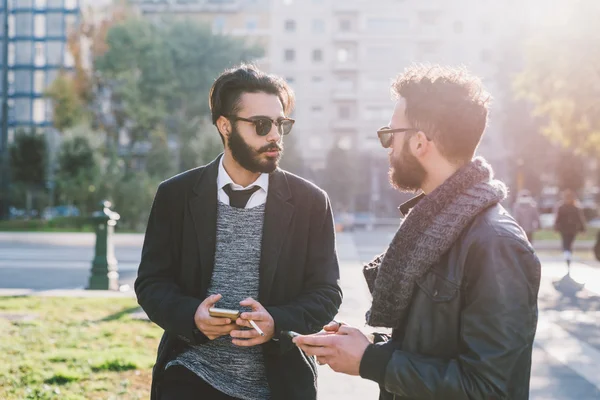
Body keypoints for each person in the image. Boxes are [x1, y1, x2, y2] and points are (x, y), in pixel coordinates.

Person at [294, 65, 541, 399]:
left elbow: (489, 389)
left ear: (421, 143)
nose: (388, 148)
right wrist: (369, 348)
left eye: (391, 135)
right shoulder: (436, 227)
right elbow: (434, 350)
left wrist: (371, 362)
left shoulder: (495, 243)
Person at [135, 64, 342, 400]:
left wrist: (275, 321)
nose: (274, 135)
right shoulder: (175, 195)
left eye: (280, 124)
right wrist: (192, 316)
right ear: (225, 126)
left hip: (280, 385)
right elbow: (151, 283)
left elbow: (326, 294)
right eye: (261, 125)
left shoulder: (311, 202)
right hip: (189, 374)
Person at [554, 189, 586, 271]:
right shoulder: (576, 207)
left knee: (566, 243)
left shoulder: (562, 207)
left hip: (564, 229)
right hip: (572, 229)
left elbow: (558, 219)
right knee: (569, 243)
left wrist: (556, 227)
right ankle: (568, 255)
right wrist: (582, 229)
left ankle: (567, 255)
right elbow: (580, 219)